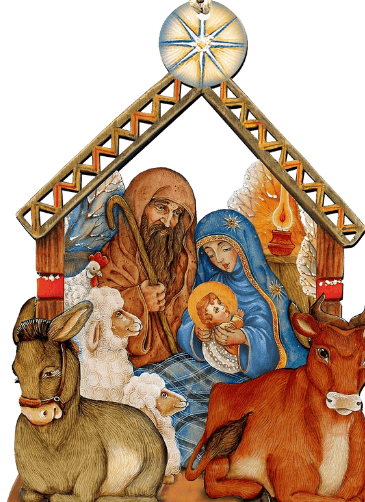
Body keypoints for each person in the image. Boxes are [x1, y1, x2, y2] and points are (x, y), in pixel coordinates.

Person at [141, 209, 309, 465]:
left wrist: (243, 337)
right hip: (207, 363)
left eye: (224, 248)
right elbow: (189, 320)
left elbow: (270, 342)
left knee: (194, 415)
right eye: (210, 253)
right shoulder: (214, 284)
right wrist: (197, 332)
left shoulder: (264, 292)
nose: (218, 259)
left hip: (242, 379)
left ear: (243, 246)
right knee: (154, 381)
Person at [98, 167, 197, 367]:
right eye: (161, 207)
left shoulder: (181, 261)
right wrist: (138, 300)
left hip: (176, 362)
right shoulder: (111, 258)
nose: (168, 222)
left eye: (177, 213)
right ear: (139, 205)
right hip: (128, 370)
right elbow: (97, 318)